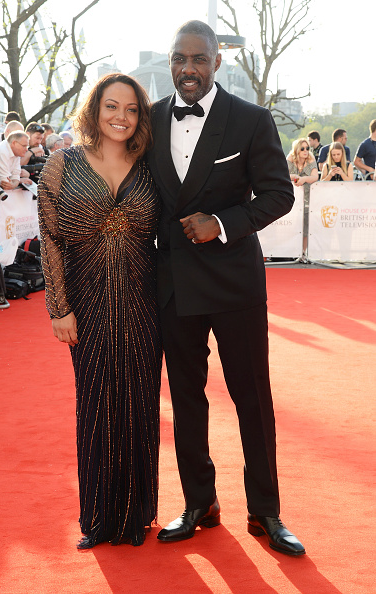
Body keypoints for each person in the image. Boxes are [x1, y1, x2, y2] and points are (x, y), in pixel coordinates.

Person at [147, 20, 305, 557]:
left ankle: (265, 512)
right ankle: (200, 503)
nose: (186, 68)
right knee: (187, 400)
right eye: (177, 59)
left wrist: (221, 220)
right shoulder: (150, 121)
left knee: (251, 399)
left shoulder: (251, 120)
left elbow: (279, 195)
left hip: (234, 282)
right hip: (172, 285)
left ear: (217, 62)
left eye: (197, 59)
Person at [38, 73, 162, 549]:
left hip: (143, 300)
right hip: (85, 305)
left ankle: (136, 516)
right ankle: (97, 518)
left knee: (139, 404)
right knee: (94, 405)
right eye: (112, 106)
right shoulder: (60, 163)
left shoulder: (149, 164)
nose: (121, 117)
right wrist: (58, 308)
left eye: (131, 110)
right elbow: (50, 238)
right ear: (94, 109)